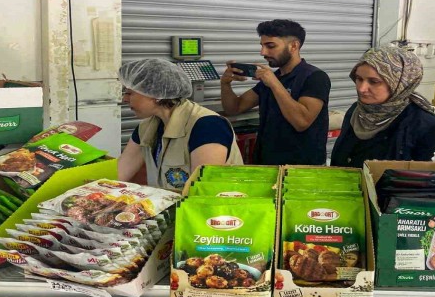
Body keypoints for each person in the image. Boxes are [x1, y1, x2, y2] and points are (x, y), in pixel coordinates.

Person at [118, 59, 243, 190]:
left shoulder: (208, 126)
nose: (124, 99)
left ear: (155, 94)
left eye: (130, 93)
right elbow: (119, 173)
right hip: (170, 202)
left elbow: (203, 189)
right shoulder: (146, 128)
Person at [220, 19, 331, 165]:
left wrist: (274, 84)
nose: (263, 52)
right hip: (266, 163)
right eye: (262, 46)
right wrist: (225, 84)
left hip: (302, 168)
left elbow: (301, 122)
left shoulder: (315, 77)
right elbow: (234, 108)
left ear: (294, 46)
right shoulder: (272, 78)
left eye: (270, 46)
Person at [330, 46, 435, 168]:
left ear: (399, 84)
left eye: (374, 82)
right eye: (359, 79)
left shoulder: (429, 129)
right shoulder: (357, 112)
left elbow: (431, 179)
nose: (362, 89)